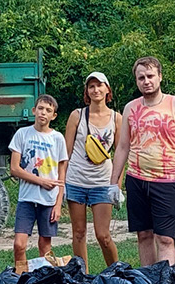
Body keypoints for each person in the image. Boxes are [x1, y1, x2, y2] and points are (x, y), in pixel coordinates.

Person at [120, 56, 175, 266]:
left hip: (166, 179)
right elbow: (122, 146)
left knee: (165, 237)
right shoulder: (130, 108)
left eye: (150, 76)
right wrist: (114, 184)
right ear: (136, 81)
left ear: (160, 77)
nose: (146, 81)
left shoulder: (174, 104)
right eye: (141, 78)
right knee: (144, 235)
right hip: (136, 178)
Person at [62, 72, 125, 273]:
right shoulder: (77, 116)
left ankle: (116, 274)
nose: (96, 90)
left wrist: (117, 187)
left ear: (108, 90)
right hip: (76, 181)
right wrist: (60, 183)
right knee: (79, 232)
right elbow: (65, 153)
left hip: (103, 183)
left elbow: (120, 156)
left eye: (100, 86)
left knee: (103, 235)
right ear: (87, 92)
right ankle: (82, 277)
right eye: (91, 86)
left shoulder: (117, 118)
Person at [9, 94, 69, 272]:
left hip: (49, 201)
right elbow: (15, 168)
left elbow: (61, 173)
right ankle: (20, 279)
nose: (44, 113)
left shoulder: (57, 138)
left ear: (54, 116)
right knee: (19, 245)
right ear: (34, 111)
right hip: (27, 198)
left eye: (48, 110)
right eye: (41, 108)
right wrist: (41, 181)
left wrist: (58, 204)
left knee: (45, 246)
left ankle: (43, 282)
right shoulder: (22, 134)